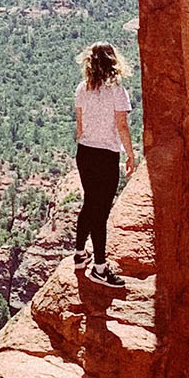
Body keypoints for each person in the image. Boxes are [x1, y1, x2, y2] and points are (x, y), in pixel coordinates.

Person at [73, 41, 135, 288]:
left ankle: (79, 255)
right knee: (101, 211)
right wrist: (131, 154)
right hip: (106, 155)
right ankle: (99, 267)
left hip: (85, 152)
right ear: (113, 61)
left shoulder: (82, 88)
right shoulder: (116, 90)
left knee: (89, 204)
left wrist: (87, 142)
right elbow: (121, 125)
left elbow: (79, 126)